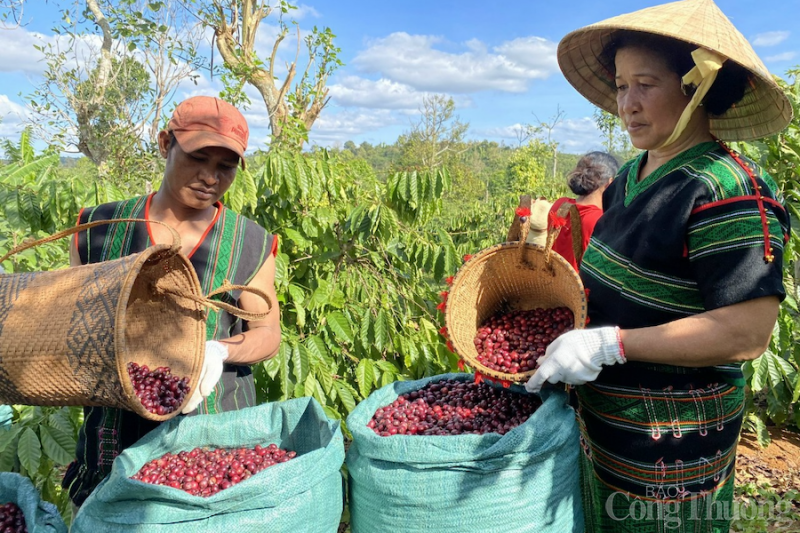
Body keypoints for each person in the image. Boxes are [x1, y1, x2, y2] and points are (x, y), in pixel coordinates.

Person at [525, 0, 792, 531]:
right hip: (607, 430)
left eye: (645, 84)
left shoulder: (727, 188)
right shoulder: (627, 177)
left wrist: (610, 344)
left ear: (698, 89)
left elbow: (746, 332)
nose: (628, 104)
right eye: (622, 86)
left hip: (673, 451)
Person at [62, 96, 281, 507]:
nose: (210, 177)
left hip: (213, 444)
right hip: (112, 445)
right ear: (165, 144)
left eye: (225, 167)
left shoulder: (249, 242)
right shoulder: (98, 229)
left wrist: (218, 351)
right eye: (198, 158)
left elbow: (268, 333)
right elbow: (72, 323)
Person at [549, 152, 619, 270]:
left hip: (553, 283)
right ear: (610, 183)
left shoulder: (560, 205)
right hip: (580, 287)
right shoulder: (600, 220)